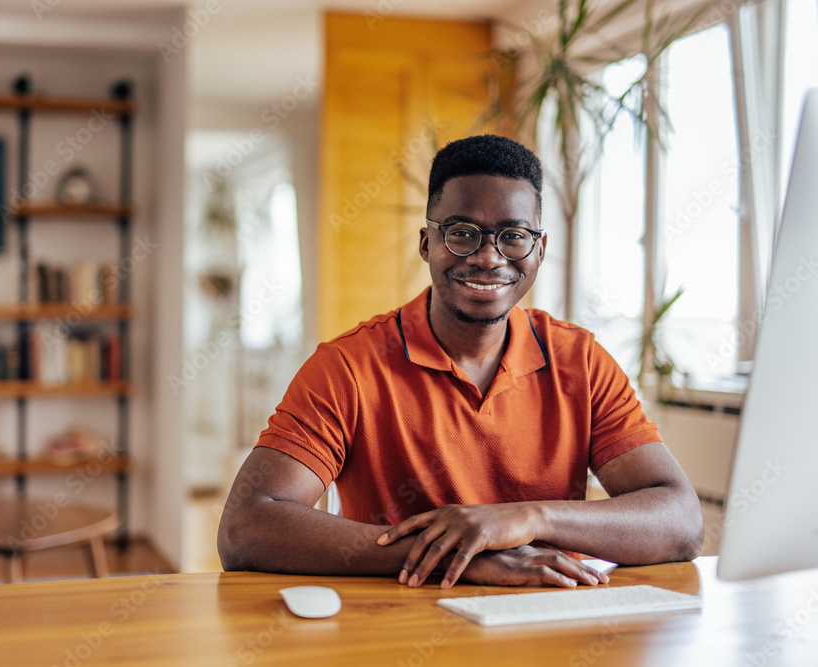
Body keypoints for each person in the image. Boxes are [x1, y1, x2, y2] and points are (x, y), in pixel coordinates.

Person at [217, 134, 703, 589]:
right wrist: (461, 557)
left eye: (513, 236)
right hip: (395, 629)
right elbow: (247, 526)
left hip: (547, 623)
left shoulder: (581, 362)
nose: (490, 258)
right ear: (427, 243)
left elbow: (681, 521)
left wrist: (532, 517)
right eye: (463, 233)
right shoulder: (348, 366)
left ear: (539, 250)